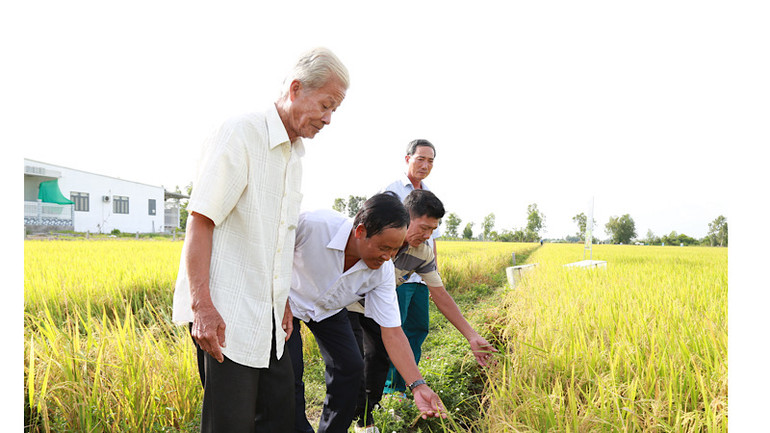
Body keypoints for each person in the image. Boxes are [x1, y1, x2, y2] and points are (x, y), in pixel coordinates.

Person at [171, 47, 349, 433]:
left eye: (335, 109)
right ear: (296, 88)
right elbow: (201, 220)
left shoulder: (295, 157)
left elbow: (277, 242)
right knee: (231, 424)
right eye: (326, 105)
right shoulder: (242, 133)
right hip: (226, 318)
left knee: (280, 419)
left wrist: (281, 300)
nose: (329, 118)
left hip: (270, 320)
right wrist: (201, 306)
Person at [287, 192, 446, 433]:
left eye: (394, 251)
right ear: (360, 231)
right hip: (286, 301)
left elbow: (392, 333)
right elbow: (271, 252)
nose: (388, 257)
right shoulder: (314, 225)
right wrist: (279, 302)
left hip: (328, 309)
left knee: (350, 367)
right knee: (289, 376)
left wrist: (418, 385)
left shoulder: (381, 270)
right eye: (384, 247)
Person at [349, 189, 497, 432]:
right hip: (345, 306)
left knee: (378, 360)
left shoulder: (422, 252)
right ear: (406, 216)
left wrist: (472, 336)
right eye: (424, 227)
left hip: (376, 309)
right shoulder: (375, 236)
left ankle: (366, 420)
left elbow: (440, 295)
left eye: (432, 230)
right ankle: (345, 413)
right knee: (350, 363)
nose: (427, 235)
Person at [378, 139, 440, 393]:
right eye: (420, 159)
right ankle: (390, 389)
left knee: (418, 328)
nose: (425, 165)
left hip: (420, 278)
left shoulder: (430, 196)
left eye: (430, 161)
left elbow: (432, 240)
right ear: (408, 159)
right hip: (397, 274)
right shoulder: (392, 191)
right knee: (396, 329)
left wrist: (432, 273)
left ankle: (410, 384)